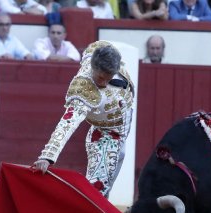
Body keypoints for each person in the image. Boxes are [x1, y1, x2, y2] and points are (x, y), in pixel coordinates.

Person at [32, 41, 134, 198]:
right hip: (105, 135)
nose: (105, 83)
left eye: (109, 78)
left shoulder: (99, 51)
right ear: (93, 67)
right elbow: (67, 124)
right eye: (101, 78)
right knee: (96, 192)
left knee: (104, 190)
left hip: (122, 130)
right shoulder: (83, 90)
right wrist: (47, 156)